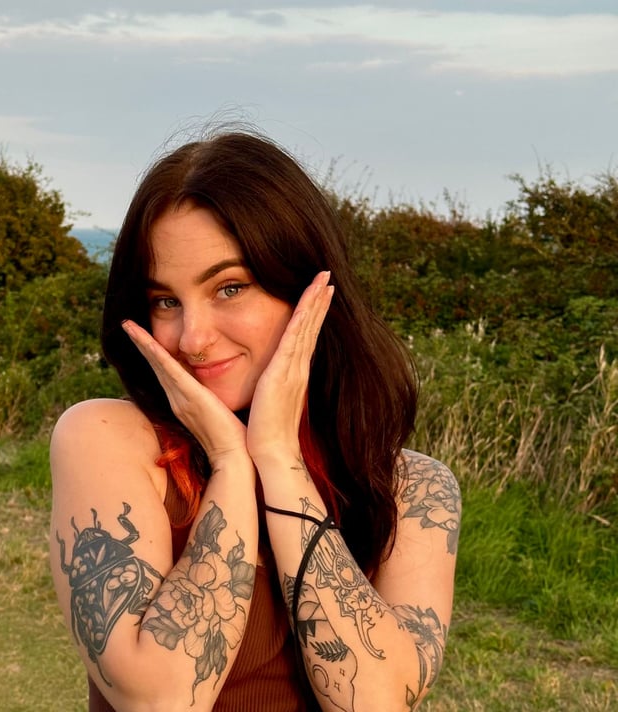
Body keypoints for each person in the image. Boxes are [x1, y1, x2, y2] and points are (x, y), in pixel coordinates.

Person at [49, 129, 461, 712]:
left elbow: (372, 703)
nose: (191, 339)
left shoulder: (414, 491)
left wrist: (278, 459)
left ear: (308, 292)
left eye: (230, 288)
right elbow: (160, 701)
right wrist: (230, 463)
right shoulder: (106, 441)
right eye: (165, 300)